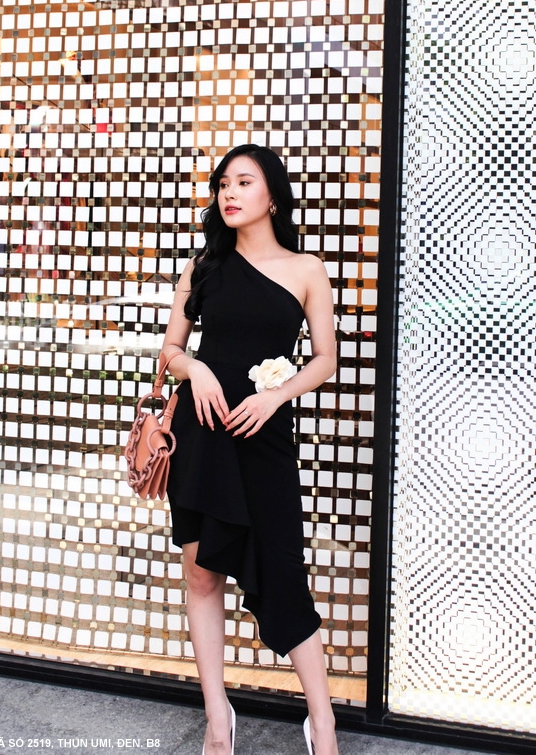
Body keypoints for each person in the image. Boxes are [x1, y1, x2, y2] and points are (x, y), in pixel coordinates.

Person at [161, 143, 339, 755]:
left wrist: (277, 396)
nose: (229, 194)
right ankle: (219, 719)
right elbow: (171, 351)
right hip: (201, 437)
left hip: (264, 439)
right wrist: (196, 369)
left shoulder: (306, 268)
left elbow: (326, 359)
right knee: (201, 574)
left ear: (273, 196)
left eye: (244, 182)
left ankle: (323, 722)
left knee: (283, 573)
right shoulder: (204, 267)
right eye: (223, 185)